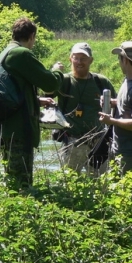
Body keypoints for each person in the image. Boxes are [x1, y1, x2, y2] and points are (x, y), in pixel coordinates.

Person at [0, 17, 64, 188]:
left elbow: (11, 90)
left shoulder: (3, 54)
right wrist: (57, 71)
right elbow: (50, 84)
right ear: (32, 36)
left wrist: (35, 100)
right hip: (20, 130)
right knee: (22, 185)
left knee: (11, 180)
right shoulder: (21, 54)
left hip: (5, 128)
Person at [50, 43, 116, 175]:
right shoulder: (64, 81)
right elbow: (47, 94)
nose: (79, 62)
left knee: (102, 186)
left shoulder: (101, 82)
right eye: (76, 58)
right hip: (71, 142)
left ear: (91, 60)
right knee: (69, 185)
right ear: (70, 59)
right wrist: (54, 73)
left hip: (98, 143)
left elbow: (118, 107)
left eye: (83, 58)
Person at [98, 41, 132, 174]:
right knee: (115, 192)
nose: (119, 62)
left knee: (130, 194)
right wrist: (113, 102)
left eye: (119, 58)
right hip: (119, 149)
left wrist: (111, 121)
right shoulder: (128, 80)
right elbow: (128, 104)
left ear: (126, 60)